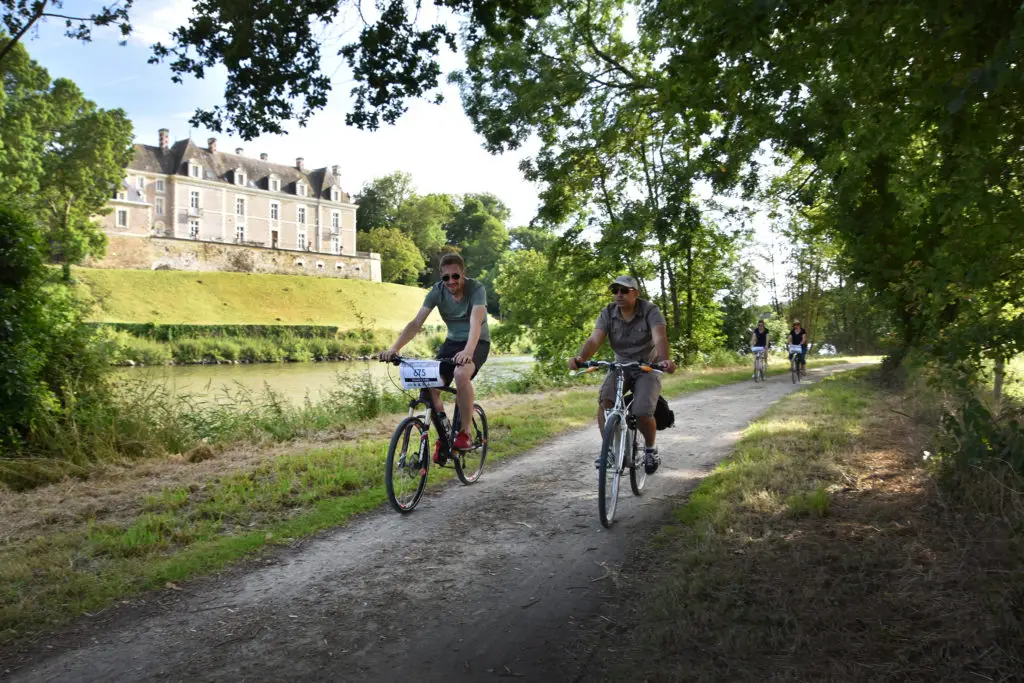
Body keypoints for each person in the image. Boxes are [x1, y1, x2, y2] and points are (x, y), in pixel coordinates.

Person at [379, 253, 489, 465]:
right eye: (446, 277)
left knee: (460, 373)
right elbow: (416, 323)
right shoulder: (437, 292)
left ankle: (465, 432)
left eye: (455, 276)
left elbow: (476, 323)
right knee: (430, 385)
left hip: (477, 342)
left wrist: (468, 351)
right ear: (441, 277)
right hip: (452, 342)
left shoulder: (476, 290)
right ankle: (445, 438)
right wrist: (394, 348)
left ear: (463, 274)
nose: (451, 281)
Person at [568, 275, 676, 474]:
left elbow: (660, 336)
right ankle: (609, 451)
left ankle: (651, 449)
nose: (619, 294)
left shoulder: (650, 311)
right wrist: (581, 358)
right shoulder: (608, 313)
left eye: (624, 290)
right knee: (605, 403)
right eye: (615, 290)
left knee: (643, 411)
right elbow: (594, 339)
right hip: (620, 367)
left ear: (636, 293)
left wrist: (664, 359)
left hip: (647, 368)